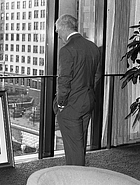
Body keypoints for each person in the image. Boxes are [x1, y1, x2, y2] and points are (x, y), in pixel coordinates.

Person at [53, 14, 101, 166]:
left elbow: (64, 80)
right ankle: (80, 174)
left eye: (57, 31)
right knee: (80, 142)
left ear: (63, 28)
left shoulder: (66, 50)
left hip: (72, 105)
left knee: (74, 147)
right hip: (88, 100)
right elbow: (97, 76)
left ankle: (75, 177)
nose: (58, 35)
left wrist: (60, 103)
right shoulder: (92, 47)